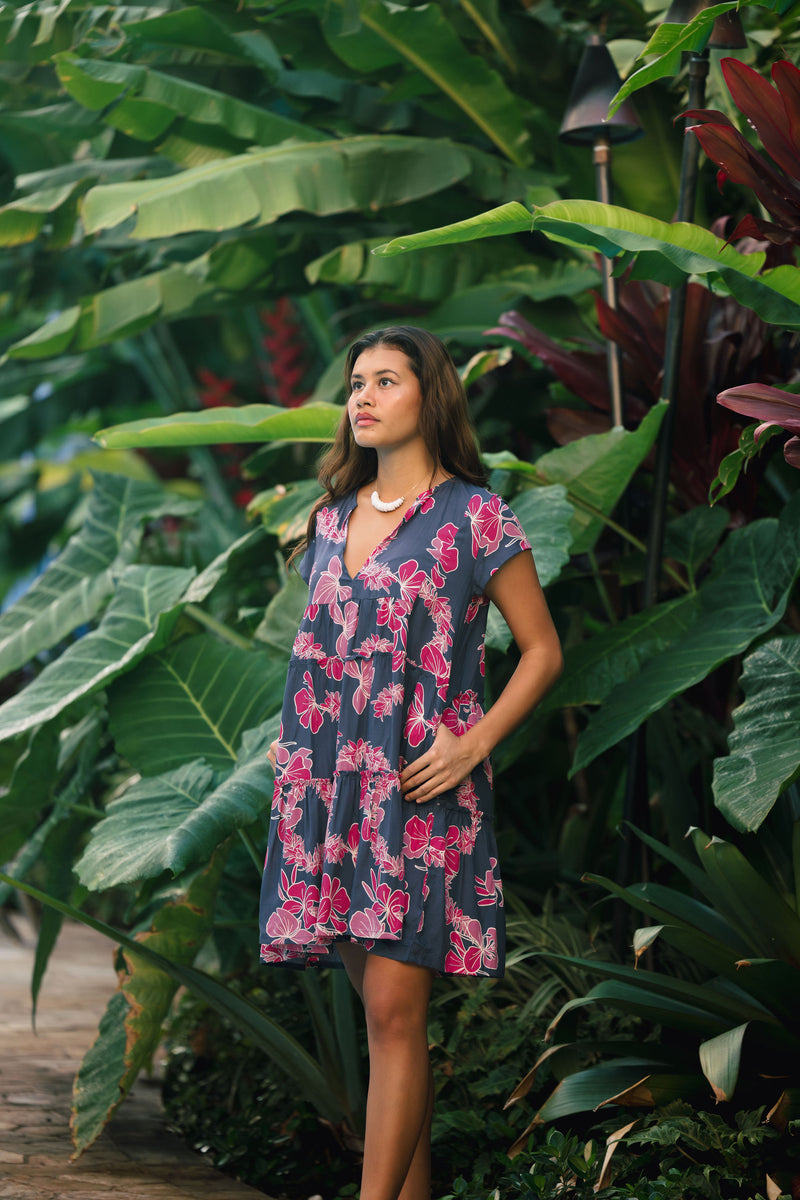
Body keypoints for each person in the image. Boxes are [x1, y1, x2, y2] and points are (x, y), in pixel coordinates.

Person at [260, 326, 563, 1200]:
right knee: (387, 1025)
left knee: (395, 1018)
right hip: (328, 794)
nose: (361, 397)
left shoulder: (478, 518)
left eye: (384, 381)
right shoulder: (329, 519)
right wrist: (297, 760)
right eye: (356, 382)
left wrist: (473, 743)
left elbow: (542, 651)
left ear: (428, 397)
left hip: (420, 793)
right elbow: (317, 658)